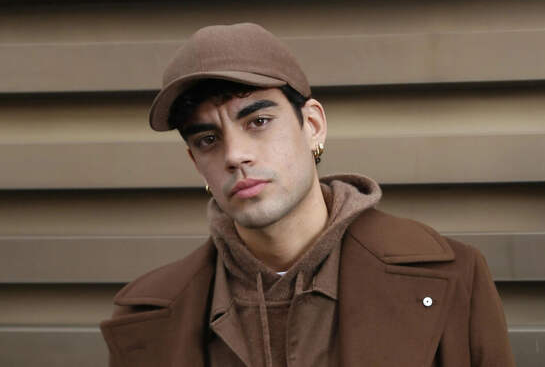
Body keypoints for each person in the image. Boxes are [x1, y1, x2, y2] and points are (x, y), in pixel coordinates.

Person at [100, 23, 515, 367]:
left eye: (258, 121)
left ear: (313, 126)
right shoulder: (149, 317)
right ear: (196, 162)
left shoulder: (453, 275)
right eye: (208, 139)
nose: (235, 155)